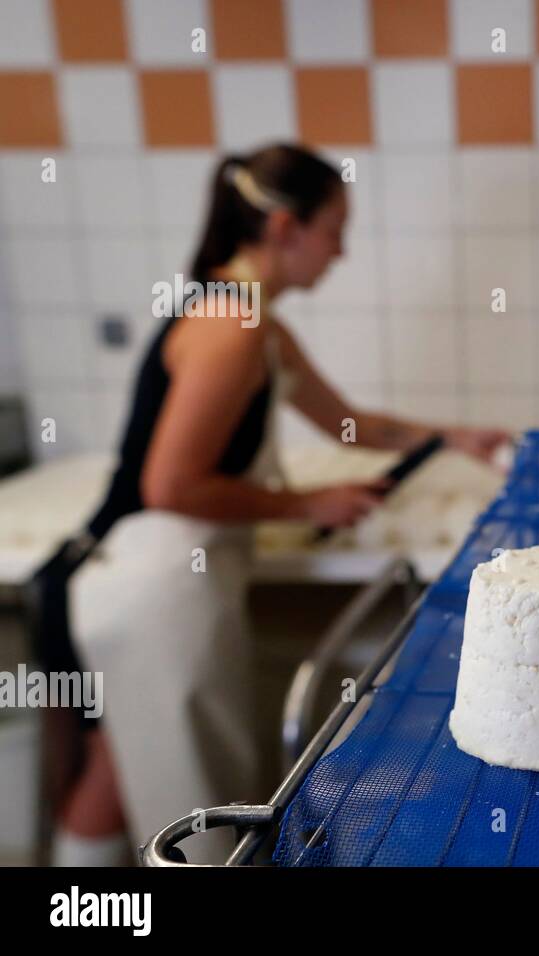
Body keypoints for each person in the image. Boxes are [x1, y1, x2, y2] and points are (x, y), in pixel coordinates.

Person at [30, 143, 511, 865]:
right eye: (335, 230)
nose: (341, 253)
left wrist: (451, 437)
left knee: (113, 778)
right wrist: (304, 504)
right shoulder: (233, 329)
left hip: (141, 581)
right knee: (147, 796)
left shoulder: (258, 325)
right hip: (141, 584)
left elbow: (352, 425)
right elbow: (171, 485)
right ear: (287, 229)